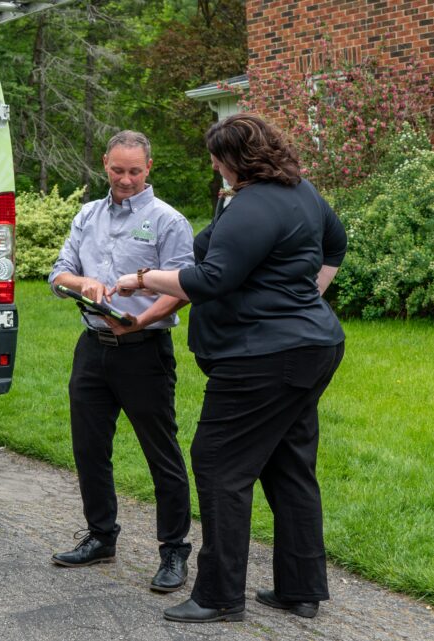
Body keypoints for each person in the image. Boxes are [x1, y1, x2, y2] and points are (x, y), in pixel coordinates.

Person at [112, 113, 347, 622]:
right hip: (310, 347)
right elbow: (336, 243)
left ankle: (219, 595)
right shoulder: (300, 192)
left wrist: (141, 279)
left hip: (262, 358)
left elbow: (211, 280)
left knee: (220, 464)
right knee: (288, 466)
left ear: (235, 159)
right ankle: (300, 589)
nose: (214, 166)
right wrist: (307, 298)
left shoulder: (255, 205)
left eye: (217, 158)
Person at [48, 130, 196, 593]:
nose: (126, 179)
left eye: (135, 171)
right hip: (92, 347)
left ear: (149, 167)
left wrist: (140, 320)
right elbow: (58, 274)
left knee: (162, 453)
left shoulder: (168, 221)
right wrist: (84, 284)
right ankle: (101, 536)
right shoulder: (87, 215)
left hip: (144, 350)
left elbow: (183, 288)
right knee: (90, 448)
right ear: (104, 164)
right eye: (117, 170)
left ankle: (174, 552)